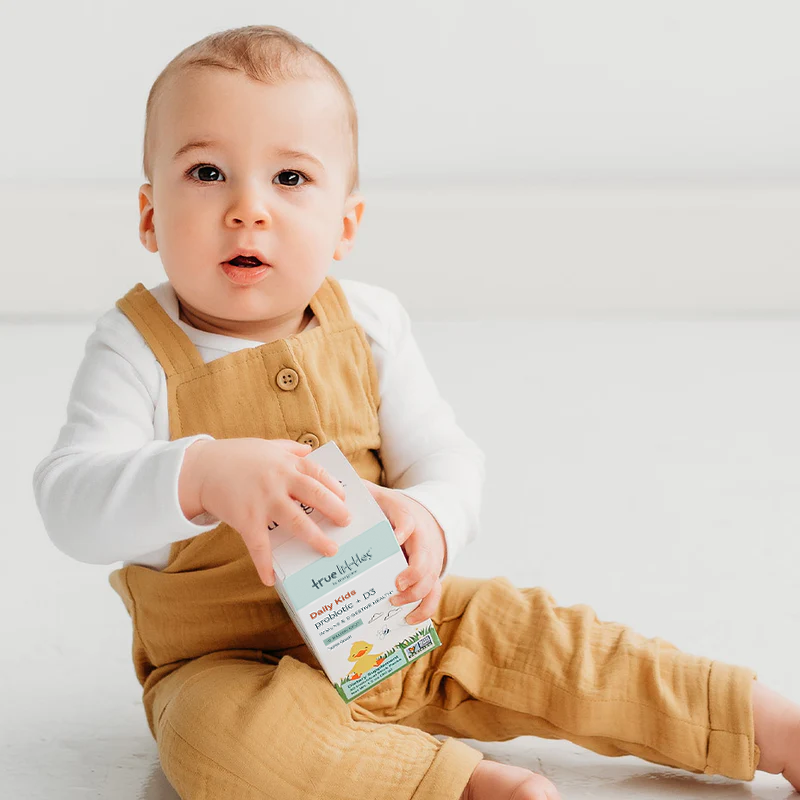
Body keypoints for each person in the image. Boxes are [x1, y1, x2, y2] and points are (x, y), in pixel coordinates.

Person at [32, 24, 800, 800]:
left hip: (399, 621)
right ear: (148, 215)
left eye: (290, 179)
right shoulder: (137, 348)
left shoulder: (369, 324)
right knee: (216, 746)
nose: (247, 209)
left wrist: (429, 520)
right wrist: (197, 474)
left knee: (545, 639)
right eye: (206, 171)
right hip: (223, 667)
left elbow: (447, 457)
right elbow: (68, 500)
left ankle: (761, 722)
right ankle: (452, 785)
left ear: (345, 226)